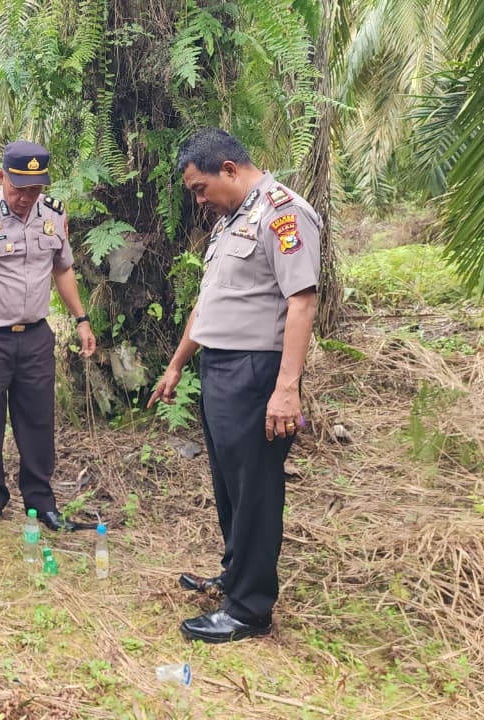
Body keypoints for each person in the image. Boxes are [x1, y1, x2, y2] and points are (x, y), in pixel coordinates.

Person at [147, 127, 320, 644]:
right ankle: (235, 576)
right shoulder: (232, 221)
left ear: (228, 169)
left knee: (255, 490)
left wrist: (286, 388)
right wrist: (177, 364)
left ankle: (249, 609)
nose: (199, 201)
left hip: (256, 372)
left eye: (200, 189)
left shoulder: (282, 213)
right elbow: (209, 303)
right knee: (230, 485)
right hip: (220, 369)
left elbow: (302, 302)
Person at [0, 140, 96, 532]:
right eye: (19, 189)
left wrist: (81, 318)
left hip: (35, 337)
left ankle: (40, 500)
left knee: (37, 420)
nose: (26, 198)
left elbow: (63, 269)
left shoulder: (53, 214)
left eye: (35, 189)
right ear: (2, 177)